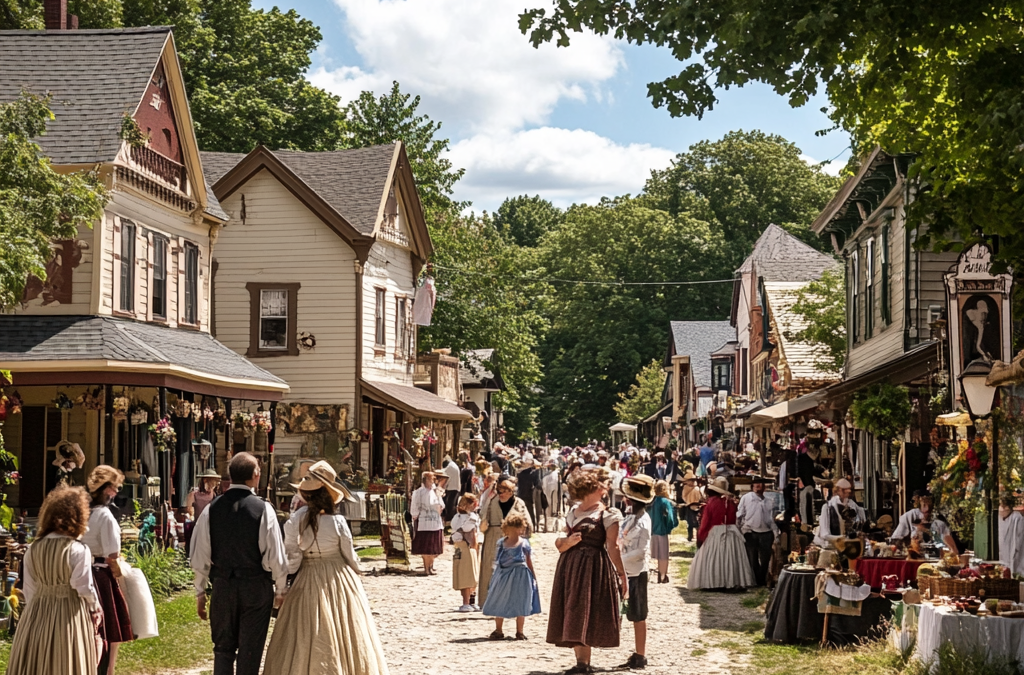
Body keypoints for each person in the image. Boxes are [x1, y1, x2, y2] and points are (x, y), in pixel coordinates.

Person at [263, 460, 389, 675]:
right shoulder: (338, 521)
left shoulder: (295, 520)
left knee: (308, 629)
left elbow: (291, 558)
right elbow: (349, 555)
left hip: (308, 577)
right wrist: (358, 572)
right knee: (345, 629)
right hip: (338, 577)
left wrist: (283, 587)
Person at [190, 452, 288, 675]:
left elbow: (200, 555)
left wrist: (200, 592)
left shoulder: (211, 509)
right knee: (250, 651)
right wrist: (280, 588)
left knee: (223, 650)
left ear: (229, 476)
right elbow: (276, 555)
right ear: (255, 475)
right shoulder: (264, 510)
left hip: (224, 586)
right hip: (255, 587)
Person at [7, 486, 101, 675]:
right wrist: (94, 607)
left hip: (37, 612)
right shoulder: (77, 549)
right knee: (66, 659)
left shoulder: (33, 549)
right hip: (69, 613)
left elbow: (30, 589)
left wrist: (36, 613)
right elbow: (82, 586)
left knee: (36, 660)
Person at [547, 468, 627, 674]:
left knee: (585, 608)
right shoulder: (573, 511)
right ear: (596, 488)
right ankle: (581, 661)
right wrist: (566, 542)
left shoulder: (608, 514)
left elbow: (613, 546)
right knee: (572, 607)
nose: (607, 487)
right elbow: (559, 542)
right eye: (604, 484)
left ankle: (584, 663)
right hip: (569, 565)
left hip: (593, 566)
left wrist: (620, 573)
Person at [83, 465, 133, 675]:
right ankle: (107, 670)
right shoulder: (105, 516)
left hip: (81, 571)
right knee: (109, 628)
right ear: (105, 489)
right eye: (114, 488)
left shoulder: (82, 513)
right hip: (101, 574)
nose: (115, 493)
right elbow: (113, 553)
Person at [481, 513, 541, 640]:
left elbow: (528, 560)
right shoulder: (501, 543)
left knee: (521, 600)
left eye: (518, 528)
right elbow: (497, 559)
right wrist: (495, 575)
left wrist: (533, 576)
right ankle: (498, 629)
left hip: (520, 575)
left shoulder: (524, 543)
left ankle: (519, 631)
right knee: (499, 599)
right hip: (503, 574)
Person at [688, 477, 755, 590]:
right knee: (731, 557)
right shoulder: (731, 504)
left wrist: (701, 537)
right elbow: (734, 519)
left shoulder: (711, 504)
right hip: (731, 532)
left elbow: (705, 523)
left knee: (714, 558)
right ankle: (730, 581)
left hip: (715, 532)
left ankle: (714, 582)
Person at [618, 475, 654, 670]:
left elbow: (642, 550)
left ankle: (641, 654)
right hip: (624, 571)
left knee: (638, 614)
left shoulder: (644, 520)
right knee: (626, 612)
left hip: (636, 571)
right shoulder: (630, 517)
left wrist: (617, 561)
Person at [479, 479, 533, 606]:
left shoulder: (519, 503)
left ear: (510, 492)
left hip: (514, 539)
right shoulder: (492, 502)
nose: (500, 494)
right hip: (493, 536)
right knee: (490, 569)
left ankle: (513, 600)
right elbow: (483, 519)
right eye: (498, 491)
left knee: (513, 569)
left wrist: (523, 535)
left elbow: (527, 523)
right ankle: (488, 600)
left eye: (502, 492)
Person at [736, 476, 779, 587]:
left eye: (761, 484)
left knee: (765, 559)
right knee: (752, 559)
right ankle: (755, 581)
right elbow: (739, 515)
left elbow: (771, 519)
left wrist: (776, 533)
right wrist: (739, 531)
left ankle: (761, 581)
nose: (759, 486)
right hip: (750, 532)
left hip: (766, 532)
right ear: (752, 486)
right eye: (757, 484)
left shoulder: (769, 502)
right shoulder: (746, 498)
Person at [889, 490, 958, 554]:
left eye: (929, 504)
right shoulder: (909, 517)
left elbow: (950, 546)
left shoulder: (940, 522)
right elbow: (895, 541)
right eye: (924, 504)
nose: (927, 509)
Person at [813, 478, 866, 548]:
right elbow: (824, 534)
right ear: (839, 490)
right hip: (830, 548)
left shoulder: (851, 504)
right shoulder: (828, 507)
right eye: (845, 490)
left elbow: (858, 521)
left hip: (848, 547)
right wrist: (842, 538)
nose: (848, 491)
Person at [410, 472, 445, 575]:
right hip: (424, 522)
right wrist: (415, 515)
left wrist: (439, 500)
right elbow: (414, 506)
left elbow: (441, 505)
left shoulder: (435, 492)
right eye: (430, 480)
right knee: (426, 548)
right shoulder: (418, 492)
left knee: (434, 548)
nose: (431, 482)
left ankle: (430, 566)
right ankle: (426, 568)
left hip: (435, 521)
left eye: (432, 480)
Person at [452, 493, 481, 612]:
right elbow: (472, 535)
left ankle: (470, 601)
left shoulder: (456, 517)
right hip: (468, 547)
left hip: (458, 547)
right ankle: (466, 602)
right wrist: (475, 548)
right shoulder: (470, 518)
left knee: (465, 574)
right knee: (468, 575)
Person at [185, 468, 221, 555]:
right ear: (205, 480)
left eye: (215, 482)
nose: (214, 485)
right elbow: (190, 509)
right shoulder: (194, 494)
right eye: (212, 482)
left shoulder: (215, 495)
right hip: (196, 526)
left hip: (209, 527)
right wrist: (191, 516)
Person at [649, 479, 679, 584]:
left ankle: (656, 573)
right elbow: (670, 517)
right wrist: (671, 526)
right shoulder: (665, 502)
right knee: (663, 555)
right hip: (662, 530)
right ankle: (662, 575)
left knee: (653, 553)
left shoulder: (651, 502)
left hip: (651, 530)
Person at [998, 495, 1024, 576]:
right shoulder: (998, 518)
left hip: (1015, 551)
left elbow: (1019, 538)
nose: (1002, 509)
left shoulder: (1017, 518)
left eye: (1004, 506)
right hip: (1002, 553)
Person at [680, 469, 704, 542]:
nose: (692, 482)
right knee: (691, 523)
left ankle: (696, 536)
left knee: (696, 522)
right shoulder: (687, 488)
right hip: (690, 506)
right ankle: (691, 536)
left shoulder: (696, 489)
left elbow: (684, 497)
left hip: (694, 506)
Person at [517, 457, 540, 529]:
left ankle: (523, 525)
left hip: (521, 493)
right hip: (529, 494)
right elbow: (537, 484)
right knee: (530, 511)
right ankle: (532, 526)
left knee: (522, 511)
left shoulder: (520, 473)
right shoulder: (534, 473)